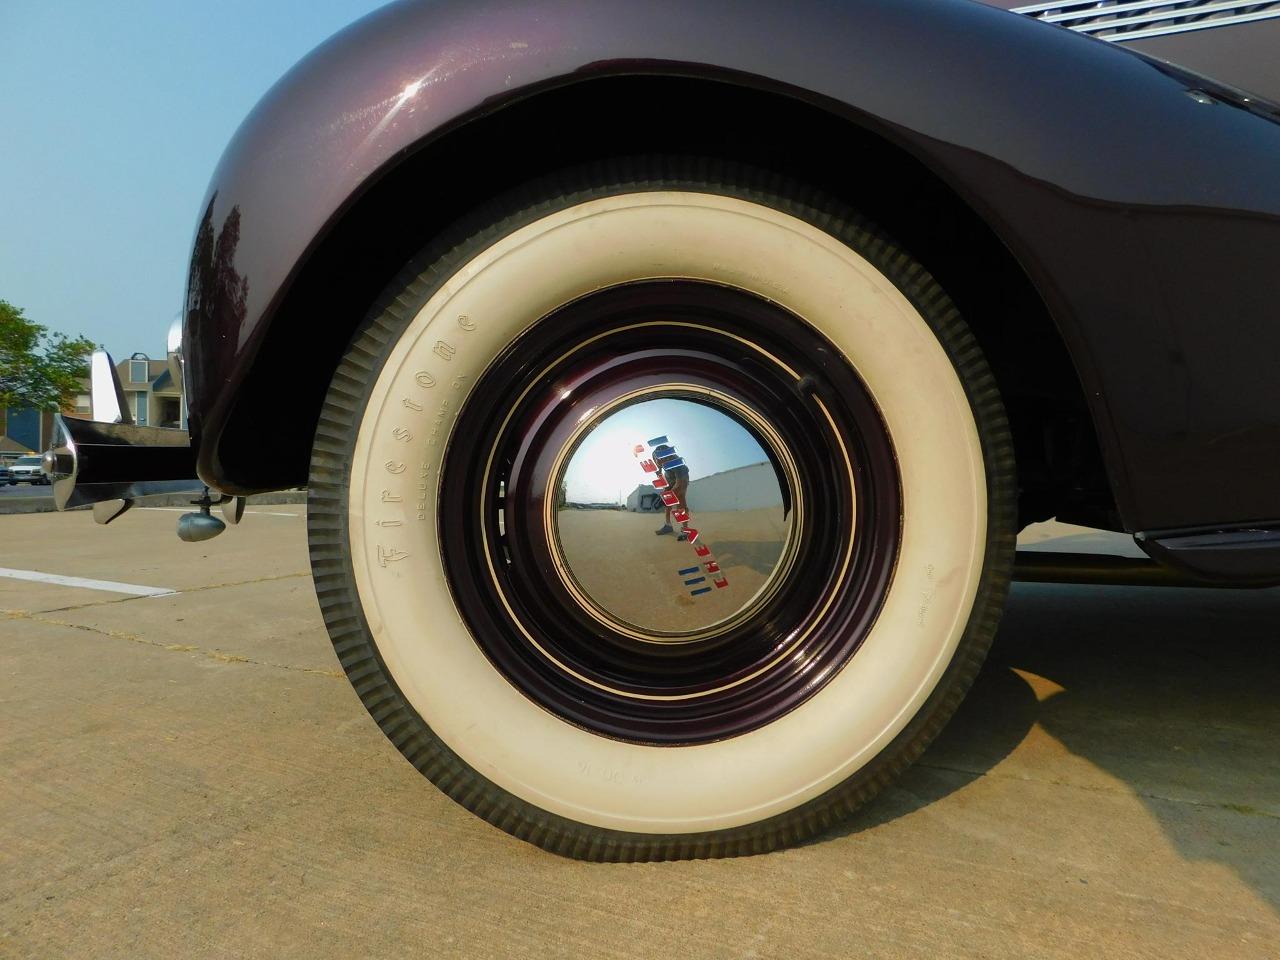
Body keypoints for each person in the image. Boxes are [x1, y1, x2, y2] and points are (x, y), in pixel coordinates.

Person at [652, 443, 691, 540]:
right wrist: (659, 471)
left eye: (664, 459)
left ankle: (685, 530)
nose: (660, 462)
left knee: (680, 502)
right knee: (667, 503)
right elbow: (658, 464)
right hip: (669, 478)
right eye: (658, 460)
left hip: (682, 478)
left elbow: (679, 483)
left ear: (670, 457)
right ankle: (668, 526)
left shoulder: (679, 464)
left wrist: (668, 495)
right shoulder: (655, 455)